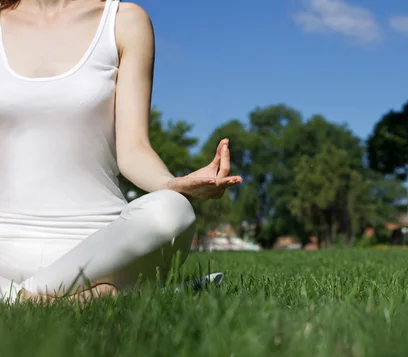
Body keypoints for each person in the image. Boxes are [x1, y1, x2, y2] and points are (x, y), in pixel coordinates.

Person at [0, 0, 243, 303]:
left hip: (102, 248)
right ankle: (77, 299)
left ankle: (16, 300)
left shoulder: (123, 21)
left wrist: (173, 184)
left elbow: (133, 149)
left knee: (172, 210)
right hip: (4, 244)